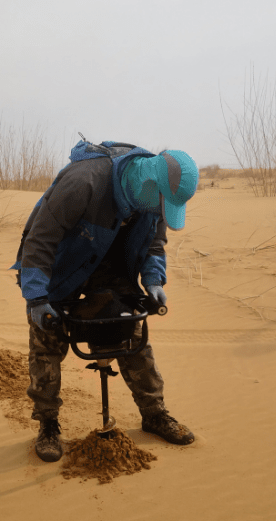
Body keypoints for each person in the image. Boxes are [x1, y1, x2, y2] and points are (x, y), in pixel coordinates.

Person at [12, 139, 199, 462]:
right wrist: (38, 297)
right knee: (47, 342)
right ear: (148, 185)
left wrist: (154, 280)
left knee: (133, 334)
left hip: (112, 269)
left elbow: (155, 243)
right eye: (161, 206)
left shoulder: (151, 199)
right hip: (63, 266)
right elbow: (40, 239)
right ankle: (48, 424)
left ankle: (154, 413)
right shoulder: (83, 183)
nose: (159, 213)